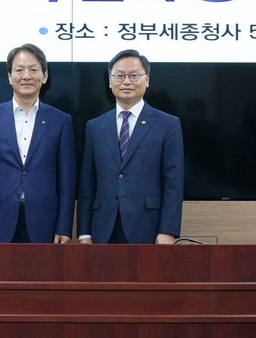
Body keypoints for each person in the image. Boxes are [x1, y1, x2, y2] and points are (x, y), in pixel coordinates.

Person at [0, 43, 76, 243]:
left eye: (33, 70)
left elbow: (67, 181)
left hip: (44, 221)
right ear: (10, 77)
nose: (26, 76)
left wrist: (64, 227)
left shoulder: (60, 121)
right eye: (19, 70)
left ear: (44, 76)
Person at [77, 49, 184, 244]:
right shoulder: (95, 126)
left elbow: (173, 183)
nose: (126, 82)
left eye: (134, 75)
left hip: (148, 227)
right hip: (103, 229)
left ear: (147, 79)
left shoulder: (168, 124)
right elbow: (87, 183)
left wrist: (168, 230)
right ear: (110, 81)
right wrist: (84, 233)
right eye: (119, 76)